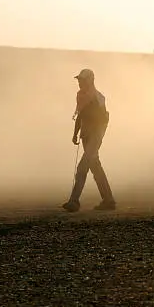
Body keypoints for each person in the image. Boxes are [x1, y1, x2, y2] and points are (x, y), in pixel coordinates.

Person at [62, 68, 116, 212]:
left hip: (96, 134)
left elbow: (102, 119)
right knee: (95, 166)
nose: (80, 82)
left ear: (90, 80)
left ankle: (74, 201)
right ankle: (108, 200)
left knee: (82, 166)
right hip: (87, 134)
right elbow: (80, 115)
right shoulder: (80, 96)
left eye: (82, 80)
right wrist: (75, 133)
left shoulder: (98, 97)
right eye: (79, 80)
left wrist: (93, 133)